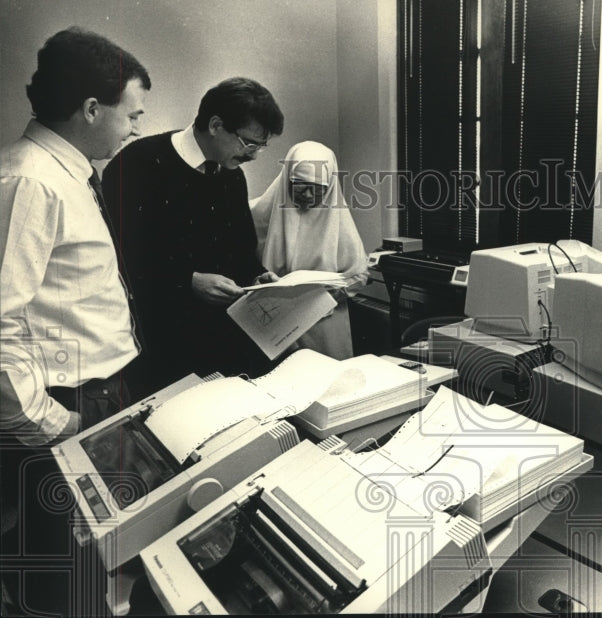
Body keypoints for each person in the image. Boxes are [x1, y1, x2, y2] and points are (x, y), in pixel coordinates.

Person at [0, 27, 150, 614]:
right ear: (92, 109)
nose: (136, 127)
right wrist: (46, 423)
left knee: (94, 568)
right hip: (64, 402)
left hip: (97, 393)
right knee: (58, 584)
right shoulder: (30, 179)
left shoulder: (66, 171)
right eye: (131, 115)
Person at [104, 77, 284, 395]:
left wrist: (257, 277)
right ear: (216, 125)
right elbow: (119, 261)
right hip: (164, 348)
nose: (254, 156)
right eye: (249, 144)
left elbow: (241, 250)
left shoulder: (232, 176)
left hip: (227, 345)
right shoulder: (136, 165)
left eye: (260, 146)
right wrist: (188, 280)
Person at [249, 141, 368, 360]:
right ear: (287, 181)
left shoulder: (338, 218)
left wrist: (337, 292)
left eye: (319, 189)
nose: (308, 196)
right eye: (300, 186)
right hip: (275, 322)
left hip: (324, 324)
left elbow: (359, 275)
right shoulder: (255, 216)